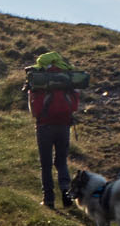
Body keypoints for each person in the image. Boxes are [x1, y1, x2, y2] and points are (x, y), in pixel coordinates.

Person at [25, 50, 81, 208]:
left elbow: (34, 110)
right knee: (62, 162)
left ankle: (48, 200)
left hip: (44, 126)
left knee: (46, 164)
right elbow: (75, 105)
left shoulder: (39, 79)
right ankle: (66, 195)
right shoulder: (67, 77)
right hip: (64, 125)